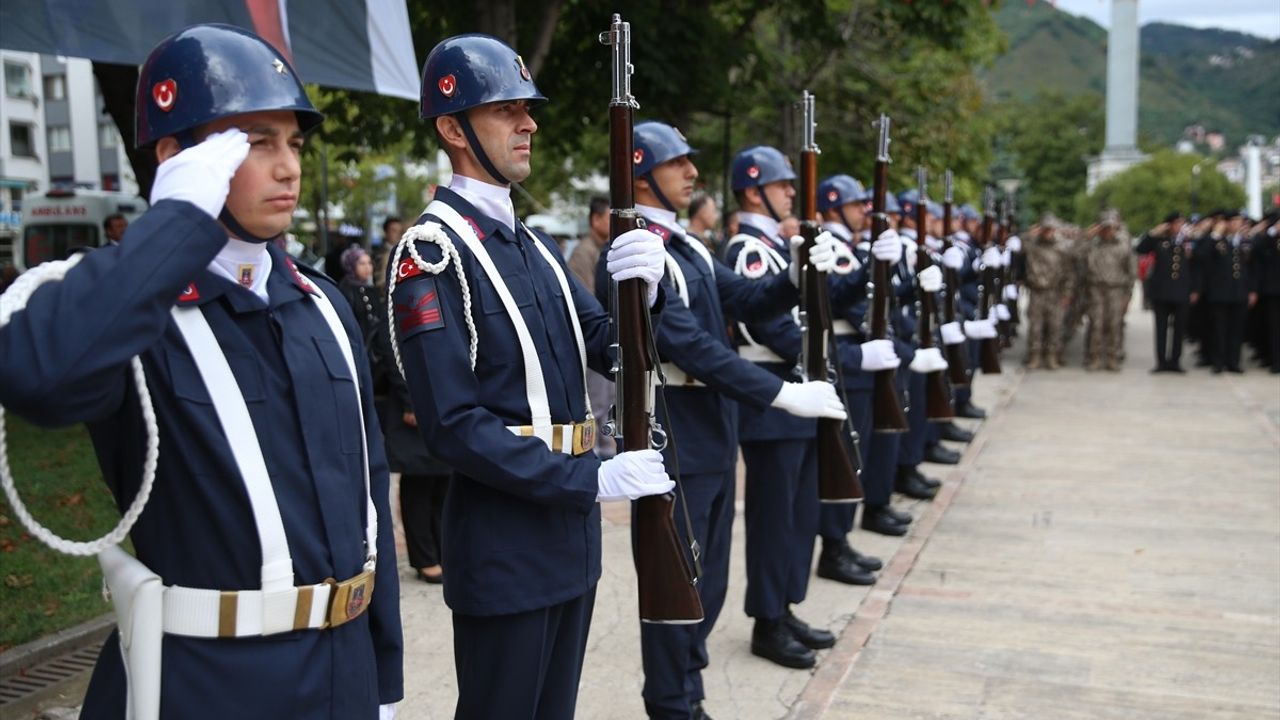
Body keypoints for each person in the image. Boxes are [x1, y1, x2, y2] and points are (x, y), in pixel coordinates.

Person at [0, 24, 402, 718]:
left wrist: (384, 680)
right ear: (177, 159)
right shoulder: (128, 311)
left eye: (293, 143)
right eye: (253, 142)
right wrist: (178, 218)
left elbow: (368, 491)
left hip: (345, 674)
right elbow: (39, 374)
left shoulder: (321, 304)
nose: (288, 167)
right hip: (214, 684)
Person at [393, 34, 673, 719]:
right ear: (453, 128)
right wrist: (589, 478)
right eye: (506, 110)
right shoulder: (433, 253)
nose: (529, 124)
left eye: (528, 108)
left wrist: (647, 289)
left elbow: (610, 345)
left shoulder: (534, 244)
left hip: (567, 539)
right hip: (503, 540)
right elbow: (452, 426)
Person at [604, 119, 846, 720]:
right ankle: (670, 702)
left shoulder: (686, 247)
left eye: (691, 162)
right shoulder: (643, 251)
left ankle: (690, 692)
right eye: (676, 163)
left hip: (711, 427)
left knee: (706, 582)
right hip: (676, 425)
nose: (692, 173)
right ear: (639, 171)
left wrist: (792, 274)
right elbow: (690, 345)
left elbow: (743, 300)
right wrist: (781, 396)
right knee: (675, 582)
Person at [721, 145, 868, 671]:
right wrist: (820, 354)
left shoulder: (777, 247)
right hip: (773, 397)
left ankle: (785, 608)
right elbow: (767, 323)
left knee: (798, 514)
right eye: (782, 185)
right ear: (753, 189)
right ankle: (767, 619)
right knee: (773, 519)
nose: (790, 193)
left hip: (799, 390)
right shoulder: (748, 248)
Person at [1195, 211, 1255, 373]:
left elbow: (1251, 268)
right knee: (1219, 329)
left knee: (1237, 330)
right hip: (1220, 293)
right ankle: (1218, 362)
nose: (1238, 224)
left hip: (1239, 292)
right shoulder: (1215, 241)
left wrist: (1252, 290)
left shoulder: (1244, 241)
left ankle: (1233, 362)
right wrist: (1215, 234)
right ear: (1226, 223)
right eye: (1234, 221)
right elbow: (1200, 256)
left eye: (1239, 221)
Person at [1135, 212, 1196, 372]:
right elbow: (1140, 248)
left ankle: (1175, 361)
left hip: (1182, 291)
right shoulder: (1158, 240)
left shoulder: (1188, 242)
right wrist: (1154, 232)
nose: (1179, 226)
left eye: (1181, 223)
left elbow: (1196, 267)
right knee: (1161, 329)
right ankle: (1161, 362)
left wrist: (1194, 289)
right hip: (1161, 291)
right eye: (1176, 223)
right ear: (1168, 225)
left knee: (1179, 329)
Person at [1084, 210, 1135, 371]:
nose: (1108, 231)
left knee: (1114, 324)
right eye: (1105, 227)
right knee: (1096, 324)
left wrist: (1128, 295)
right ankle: (1095, 357)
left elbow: (1131, 272)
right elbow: (1073, 254)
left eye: (1111, 227)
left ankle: (1112, 358)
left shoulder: (1123, 246)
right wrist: (1086, 237)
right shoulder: (1092, 245)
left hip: (1116, 290)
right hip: (1096, 289)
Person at [1023, 214, 1070, 370]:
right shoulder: (1033, 245)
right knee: (1035, 327)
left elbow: (1068, 272)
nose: (1048, 232)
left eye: (1051, 229)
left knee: (1055, 326)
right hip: (1037, 292)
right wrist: (1030, 234)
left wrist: (1067, 293)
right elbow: (1018, 247)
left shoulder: (1061, 248)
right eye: (1045, 229)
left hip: (1055, 292)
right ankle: (1034, 356)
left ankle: (1051, 356)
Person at [1250, 214, 1280, 373]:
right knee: (1274, 328)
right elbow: (1256, 249)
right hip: (1274, 290)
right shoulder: (1269, 238)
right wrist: (1273, 231)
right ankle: (1275, 361)